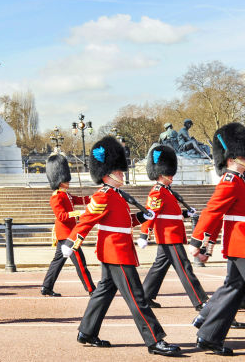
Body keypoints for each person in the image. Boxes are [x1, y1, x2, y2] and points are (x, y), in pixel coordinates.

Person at [63, 136, 180, 356]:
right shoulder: (103, 196)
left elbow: (123, 223)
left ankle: (86, 332)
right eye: (118, 171)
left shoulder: (116, 195)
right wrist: (72, 242)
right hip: (116, 252)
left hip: (117, 250)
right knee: (137, 297)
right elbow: (88, 220)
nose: (122, 174)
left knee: (103, 292)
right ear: (107, 174)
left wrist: (141, 217)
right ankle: (155, 340)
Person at [190, 123, 245, 355]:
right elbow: (213, 212)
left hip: (239, 242)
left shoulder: (239, 180)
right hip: (240, 242)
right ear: (232, 158)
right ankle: (209, 334)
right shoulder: (230, 181)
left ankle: (207, 328)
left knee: (234, 286)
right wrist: (197, 242)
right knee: (235, 287)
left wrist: (209, 245)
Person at [139, 144, 207, 310]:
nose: (172, 176)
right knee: (184, 267)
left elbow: (171, 213)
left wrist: (186, 214)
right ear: (161, 174)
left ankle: (145, 296)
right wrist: (143, 234)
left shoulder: (167, 191)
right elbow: (151, 214)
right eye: (169, 174)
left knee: (159, 267)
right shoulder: (157, 191)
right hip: (168, 235)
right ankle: (199, 300)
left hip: (172, 233)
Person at [40, 153, 95, 297]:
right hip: (67, 235)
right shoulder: (56, 196)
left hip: (68, 233)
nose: (68, 181)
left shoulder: (65, 194)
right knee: (80, 262)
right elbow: (62, 216)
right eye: (65, 179)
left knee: (57, 262)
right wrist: (79, 213)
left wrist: (93, 198)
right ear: (59, 180)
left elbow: (78, 199)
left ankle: (46, 286)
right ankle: (91, 289)